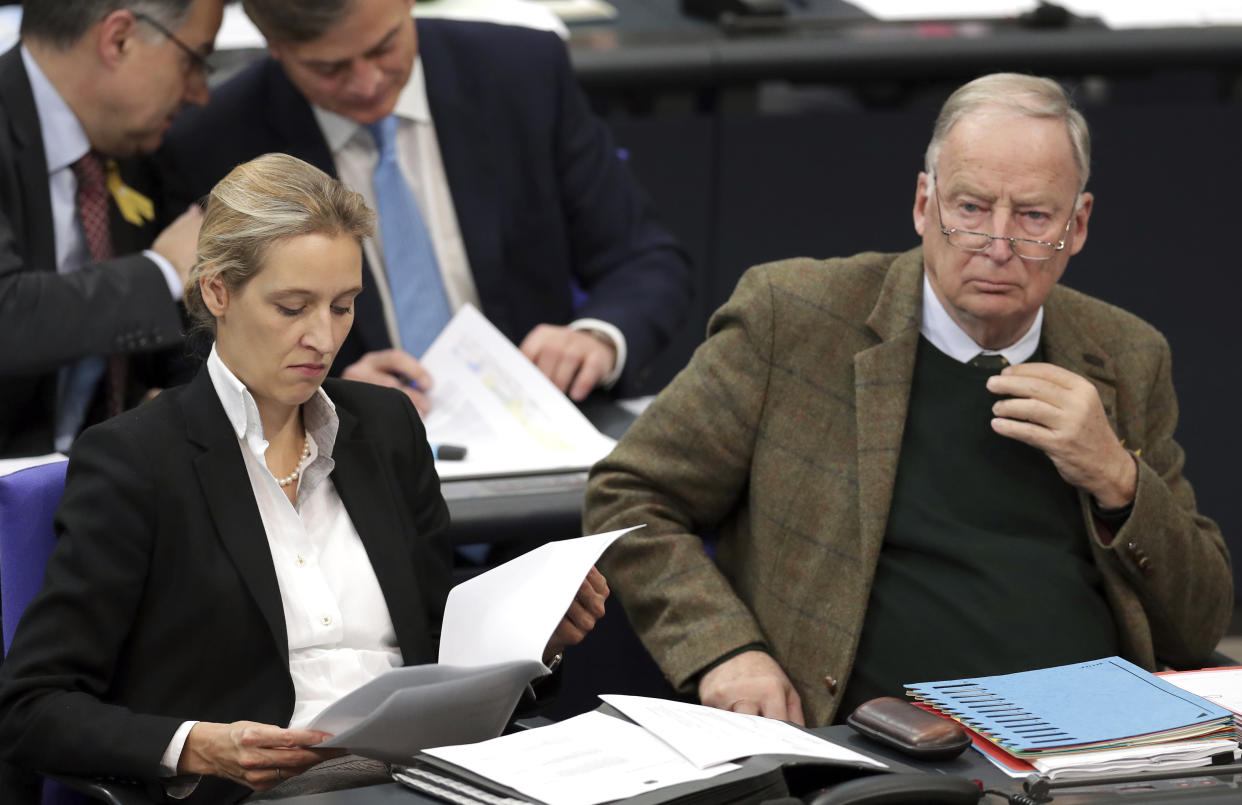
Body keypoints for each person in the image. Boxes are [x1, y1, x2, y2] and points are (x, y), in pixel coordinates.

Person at [583, 73, 1232, 728]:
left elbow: (1196, 626)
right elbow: (631, 495)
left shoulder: (1123, 353)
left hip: (1085, 748)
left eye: (1034, 217)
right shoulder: (796, 319)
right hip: (875, 751)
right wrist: (723, 649)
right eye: (971, 209)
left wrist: (1118, 478)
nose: (998, 245)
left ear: (1078, 224)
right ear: (925, 205)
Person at [0, 153, 609, 804]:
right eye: (293, 307)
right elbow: (32, 707)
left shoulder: (385, 428)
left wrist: (530, 641)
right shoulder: (139, 460)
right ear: (217, 291)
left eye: (343, 307)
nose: (323, 337)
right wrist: (195, 744)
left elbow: (441, 650)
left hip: (425, 779)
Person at [152, 0, 692, 412]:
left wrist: (596, 337)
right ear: (274, 45)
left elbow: (645, 259)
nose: (367, 83)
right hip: (333, 478)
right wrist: (313, 393)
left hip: (537, 440)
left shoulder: (521, 74)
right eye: (331, 69)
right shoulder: (214, 143)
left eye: (384, 46)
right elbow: (195, 357)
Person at [0, 0, 225, 457]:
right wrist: (162, 271)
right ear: (119, 40)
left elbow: (183, 339)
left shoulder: (134, 143)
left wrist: (184, 401)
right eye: (193, 60)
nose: (200, 93)